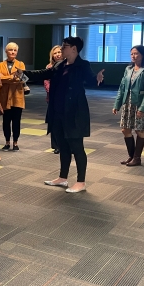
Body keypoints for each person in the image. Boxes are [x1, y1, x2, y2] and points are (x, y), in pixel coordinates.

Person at [24, 37, 104, 193]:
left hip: (74, 113)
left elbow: (90, 80)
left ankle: (81, 182)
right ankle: (63, 177)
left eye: (65, 46)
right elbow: (44, 73)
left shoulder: (82, 65)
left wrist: (97, 79)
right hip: (58, 111)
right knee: (63, 146)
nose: (61, 49)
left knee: (77, 147)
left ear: (74, 48)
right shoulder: (60, 64)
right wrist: (24, 73)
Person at [113, 45, 144, 167]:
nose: (133, 56)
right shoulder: (128, 69)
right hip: (127, 103)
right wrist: (117, 104)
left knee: (139, 130)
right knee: (125, 129)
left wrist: (143, 108)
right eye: (132, 54)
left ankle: (137, 158)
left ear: (143, 55)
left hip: (139, 103)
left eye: (136, 53)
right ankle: (132, 156)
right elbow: (122, 87)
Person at [0, 42, 25, 151]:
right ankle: (7, 142)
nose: (13, 52)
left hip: (17, 97)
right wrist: (12, 78)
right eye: (10, 50)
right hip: (4, 97)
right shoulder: (0, 65)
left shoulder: (21, 64)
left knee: (16, 121)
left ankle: (15, 142)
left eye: (15, 50)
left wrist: (7, 78)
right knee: (6, 121)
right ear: (6, 51)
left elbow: (20, 79)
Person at [45, 45, 62, 155]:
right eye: (55, 53)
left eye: (59, 52)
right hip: (52, 99)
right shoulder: (49, 67)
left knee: (64, 123)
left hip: (65, 99)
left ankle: (65, 144)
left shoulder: (69, 65)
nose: (57, 54)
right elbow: (46, 82)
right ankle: (56, 146)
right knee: (54, 123)